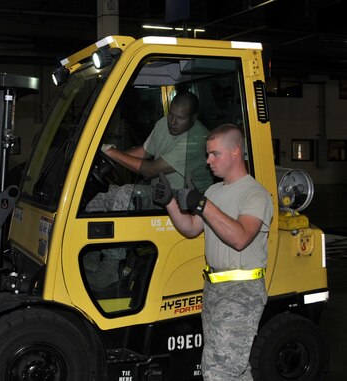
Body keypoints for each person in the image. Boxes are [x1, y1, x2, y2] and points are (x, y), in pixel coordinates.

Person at [154, 124, 274, 380]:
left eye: (214, 154)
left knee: (218, 370)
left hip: (241, 294)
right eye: (207, 154)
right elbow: (190, 228)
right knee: (234, 369)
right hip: (213, 291)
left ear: (235, 152)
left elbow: (240, 238)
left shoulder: (256, 194)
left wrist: (201, 203)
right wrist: (169, 204)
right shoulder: (213, 191)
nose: (208, 161)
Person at [86, 91, 211, 212]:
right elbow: (144, 152)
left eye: (180, 118)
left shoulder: (197, 140)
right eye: (171, 114)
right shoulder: (163, 123)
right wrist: (107, 156)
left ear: (194, 117)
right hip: (159, 190)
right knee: (100, 194)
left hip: (186, 197)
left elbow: (151, 170)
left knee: (127, 194)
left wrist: (111, 152)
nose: (172, 122)